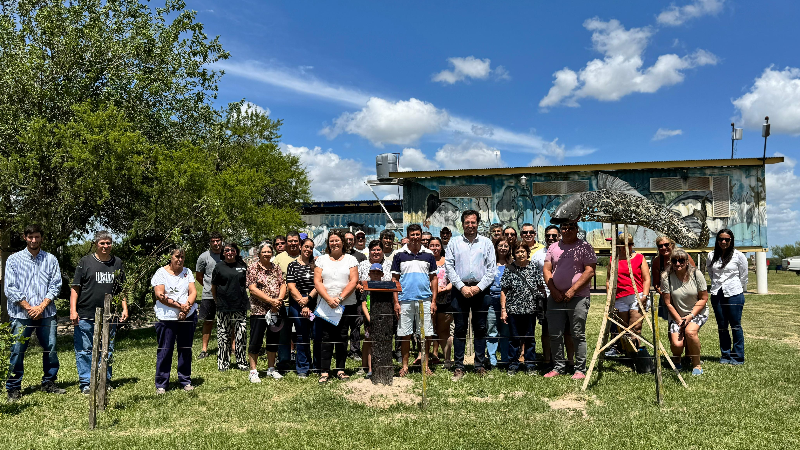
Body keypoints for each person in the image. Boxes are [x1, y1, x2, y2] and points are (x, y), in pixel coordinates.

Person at [5, 224, 65, 401]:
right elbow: (10, 288)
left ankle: (49, 382)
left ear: (41, 238)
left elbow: (56, 285)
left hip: (46, 313)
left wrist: (42, 306)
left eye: (37, 237)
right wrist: (29, 308)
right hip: (20, 315)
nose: (34, 240)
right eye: (30, 237)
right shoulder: (13, 260)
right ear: (25, 237)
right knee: (17, 350)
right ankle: (13, 388)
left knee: (51, 349)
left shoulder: (51, 259)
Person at [70, 230, 129, 394]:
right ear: (96, 244)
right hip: (86, 314)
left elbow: (121, 289)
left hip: (109, 315)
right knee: (84, 350)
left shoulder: (117, 263)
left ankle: (105, 380)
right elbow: (75, 288)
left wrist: (124, 307)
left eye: (108, 243)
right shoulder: (85, 262)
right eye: (102, 243)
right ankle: (86, 383)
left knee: (107, 349)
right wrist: (73, 310)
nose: (105, 246)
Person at [446, 210, 496, 380]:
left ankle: (479, 365)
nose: (470, 225)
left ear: (477, 223)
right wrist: (461, 287)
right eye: (467, 222)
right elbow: (449, 267)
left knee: (481, 328)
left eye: (473, 222)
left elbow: (491, 270)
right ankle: (459, 366)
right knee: (460, 329)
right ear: (462, 223)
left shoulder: (487, 243)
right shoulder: (454, 243)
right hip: (460, 291)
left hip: (481, 291)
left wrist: (478, 288)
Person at [543, 221, 596, 380]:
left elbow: (590, 271)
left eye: (571, 227)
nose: (567, 230)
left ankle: (580, 369)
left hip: (578, 297)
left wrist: (573, 290)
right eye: (564, 228)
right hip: (555, 297)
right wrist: (553, 291)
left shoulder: (585, 247)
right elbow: (547, 269)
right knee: (555, 333)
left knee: (577, 334)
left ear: (576, 230)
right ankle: (558, 367)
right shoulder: (553, 247)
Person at [391, 224, 438, 376]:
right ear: (408, 236)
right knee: (405, 334)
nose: (416, 237)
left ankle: (425, 366)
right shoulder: (399, 254)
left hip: (425, 299)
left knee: (425, 335)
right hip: (405, 300)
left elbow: (434, 278)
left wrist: (433, 301)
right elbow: (394, 279)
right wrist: (396, 302)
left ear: (421, 235)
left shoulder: (429, 254)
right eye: (413, 234)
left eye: (418, 234)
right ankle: (405, 366)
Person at [313, 230, 359, 383]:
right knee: (325, 337)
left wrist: (339, 298)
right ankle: (324, 371)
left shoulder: (351, 259)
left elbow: (353, 281)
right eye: (331, 241)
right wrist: (328, 299)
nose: (334, 243)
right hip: (326, 305)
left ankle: (340, 369)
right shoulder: (321, 260)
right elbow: (317, 281)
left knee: (342, 337)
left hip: (345, 304)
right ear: (328, 243)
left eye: (337, 240)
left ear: (343, 242)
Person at [151, 247, 198, 393]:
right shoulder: (161, 273)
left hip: (187, 315)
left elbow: (193, 291)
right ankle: (161, 383)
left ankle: (185, 379)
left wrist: (187, 308)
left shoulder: (187, 272)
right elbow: (160, 295)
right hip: (167, 317)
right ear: (170, 257)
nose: (180, 259)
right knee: (165, 350)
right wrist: (180, 307)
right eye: (177, 256)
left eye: (182, 257)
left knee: (185, 349)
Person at [501, 242, 547, 375]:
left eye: (523, 251)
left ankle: (530, 364)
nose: (520, 254)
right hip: (513, 309)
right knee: (514, 338)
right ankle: (513, 364)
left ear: (527, 253)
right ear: (513, 254)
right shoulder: (509, 268)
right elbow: (504, 290)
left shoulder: (533, 267)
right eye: (517, 252)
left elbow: (540, 286)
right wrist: (503, 310)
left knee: (529, 338)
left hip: (530, 310)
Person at [661, 248, 708, 375]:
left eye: (681, 260)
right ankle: (677, 360)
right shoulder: (666, 277)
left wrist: (690, 316)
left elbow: (704, 298)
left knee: (690, 332)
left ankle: (696, 365)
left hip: (697, 312)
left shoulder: (696, 274)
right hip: (677, 314)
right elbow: (668, 303)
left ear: (687, 261)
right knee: (677, 344)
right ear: (671, 262)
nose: (678, 263)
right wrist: (678, 320)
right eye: (674, 261)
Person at [245, 243, 286, 383]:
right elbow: (252, 289)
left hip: (275, 310)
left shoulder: (276, 268)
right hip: (259, 310)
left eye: (269, 251)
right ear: (259, 253)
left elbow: (282, 284)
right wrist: (270, 300)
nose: (267, 254)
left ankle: (271, 369)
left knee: (273, 339)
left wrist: (278, 300)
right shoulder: (253, 268)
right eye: (264, 251)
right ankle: (253, 371)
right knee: (256, 339)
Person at [707, 229, 748, 365]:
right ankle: (725, 355)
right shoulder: (711, 255)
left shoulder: (739, 256)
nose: (723, 242)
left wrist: (738, 288)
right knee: (722, 326)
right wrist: (716, 284)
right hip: (717, 293)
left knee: (735, 326)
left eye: (727, 239)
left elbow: (744, 275)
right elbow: (710, 272)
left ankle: (737, 357)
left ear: (731, 241)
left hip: (734, 293)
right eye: (721, 239)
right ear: (717, 240)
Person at [606, 233, 651, 347]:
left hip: (637, 296)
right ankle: (626, 351)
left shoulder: (639, 258)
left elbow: (646, 279)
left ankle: (635, 353)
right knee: (623, 328)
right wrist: (609, 297)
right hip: (620, 297)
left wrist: (644, 296)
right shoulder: (613, 260)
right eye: (622, 244)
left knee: (635, 327)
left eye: (629, 244)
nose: (627, 247)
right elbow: (608, 280)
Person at [212, 242, 249, 371]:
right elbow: (214, 287)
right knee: (223, 335)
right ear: (223, 252)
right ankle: (223, 363)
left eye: (232, 250)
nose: (229, 252)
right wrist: (218, 302)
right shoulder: (218, 267)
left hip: (240, 305)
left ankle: (242, 362)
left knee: (241, 335)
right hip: (224, 306)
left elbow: (247, 284)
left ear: (236, 252)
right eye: (227, 250)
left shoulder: (243, 266)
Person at [287, 238, 318, 378]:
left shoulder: (316, 265)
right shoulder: (292, 265)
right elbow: (291, 286)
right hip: (297, 304)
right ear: (300, 246)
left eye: (311, 247)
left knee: (316, 335)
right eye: (306, 246)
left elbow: (319, 284)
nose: (308, 250)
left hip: (314, 304)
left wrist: (309, 300)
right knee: (302, 335)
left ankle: (316, 366)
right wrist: (303, 303)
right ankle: (302, 368)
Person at [273, 232, 303, 370]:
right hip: (284, 303)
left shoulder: (305, 256)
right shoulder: (279, 258)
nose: (293, 243)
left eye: (295, 240)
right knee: (284, 334)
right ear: (286, 242)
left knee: (302, 333)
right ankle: (284, 362)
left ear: (299, 241)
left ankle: (302, 362)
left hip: (301, 303)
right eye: (290, 241)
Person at [652, 236, 696, 321]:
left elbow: (695, 276)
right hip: (668, 298)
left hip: (686, 296)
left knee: (689, 323)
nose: (663, 248)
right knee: (672, 324)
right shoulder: (657, 262)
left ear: (672, 245)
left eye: (666, 245)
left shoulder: (685, 257)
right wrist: (667, 296)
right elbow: (656, 284)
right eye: (660, 246)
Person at [196, 232, 223, 360]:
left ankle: (233, 347)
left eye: (218, 241)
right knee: (208, 321)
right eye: (213, 241)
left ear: (221, 241)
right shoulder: (203, 257)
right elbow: (199, 276)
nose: (216, 243)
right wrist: (209, 287)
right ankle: (204, 349)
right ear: (210, 242)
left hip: (226, 295)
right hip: (208, 295)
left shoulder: (228, 254)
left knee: (230, 321)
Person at [486, 239, 511, 369]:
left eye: (505, 245)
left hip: (508, 303)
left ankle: (505, 359)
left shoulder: (512, 264)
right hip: (492, 301)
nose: (502, 248)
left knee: (506, 332)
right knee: (492, 331)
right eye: (500, 245)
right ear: (495, 248)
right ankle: (492, 360)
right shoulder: (490, 264)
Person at [429, 237, 453, 367]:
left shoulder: (447, 262)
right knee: (429, 331)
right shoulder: (425, 261)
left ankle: (447, 359)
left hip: (446, 300)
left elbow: (454, 278)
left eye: (437, 245)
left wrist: (446, 288)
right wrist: (434, 289)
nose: (434, 248)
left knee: (444, 331)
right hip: (429, 300)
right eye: (432, 245)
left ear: (441, 247)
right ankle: (428, 358)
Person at [360, 262, 386, 378]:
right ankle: (371, 369)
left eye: (378, 272)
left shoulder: (386, 287)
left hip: (383, 319)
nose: (376, 274)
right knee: (370, 343)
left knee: (382, 343)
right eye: (373, 272)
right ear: (369, 274)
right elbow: (364, 305)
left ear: (382, 274)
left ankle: (381, 367)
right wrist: (370, 319)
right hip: (370, 320)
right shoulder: (366, 287)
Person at [344, 230, 366, 360]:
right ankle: (341, 349)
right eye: (347, 239)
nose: (349, 242)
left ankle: (355, 350)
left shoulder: (361, 257)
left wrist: (359, 286)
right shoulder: (337, 255)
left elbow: (363, 276)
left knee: (356, 324)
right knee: (341, 325)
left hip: (356, 297)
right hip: (341, 296)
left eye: (351, 239)